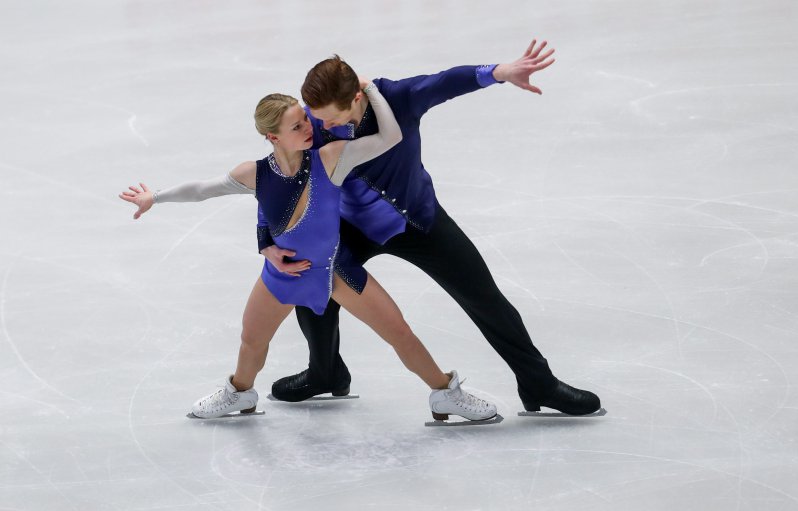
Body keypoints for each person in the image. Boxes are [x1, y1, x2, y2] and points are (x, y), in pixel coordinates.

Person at [119, 82, 497, 422]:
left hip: (336, 270)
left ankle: (447, 394)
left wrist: (373, 93)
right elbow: (203, 189)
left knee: (400, 333)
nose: (308, 129)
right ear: (273, 137)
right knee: (252, 339)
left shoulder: (331, 157)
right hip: (283, 275)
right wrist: (157, 197)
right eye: (296, 126)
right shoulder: (256, 173)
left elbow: (390, 138)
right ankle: (240, 394)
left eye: (305, 120)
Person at [263, 40, 602, 416]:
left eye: (328, 118)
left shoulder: (397, 98)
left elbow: (444, 82)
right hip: (352, 227)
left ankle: (539, 384)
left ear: (357, 97)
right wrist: (266, 240)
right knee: (311, 278)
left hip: (417, 220)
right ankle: (324, 373)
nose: (318, 126)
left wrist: (499, 73)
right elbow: (275, 178)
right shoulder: (310, 124)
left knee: (484, 296)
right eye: (314, 115)